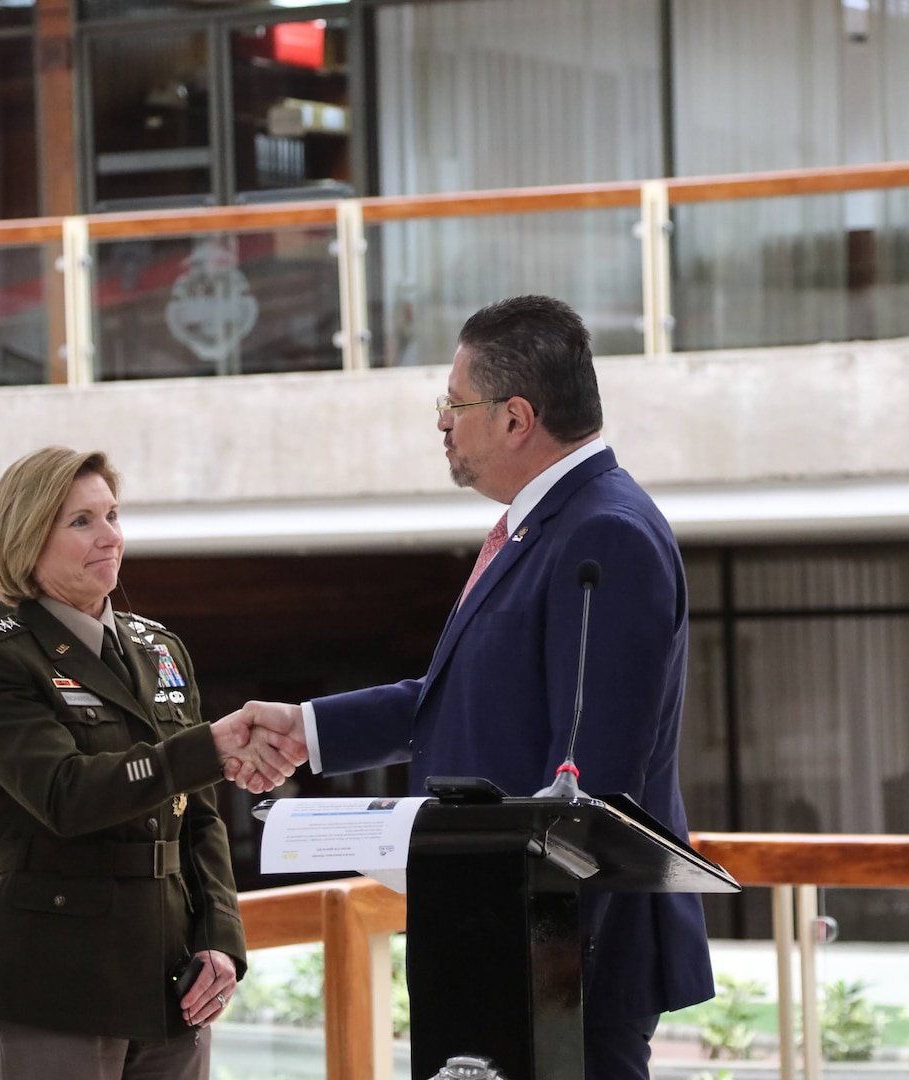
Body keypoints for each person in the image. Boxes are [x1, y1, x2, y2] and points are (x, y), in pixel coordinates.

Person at [220, 295, 714, 1079]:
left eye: (454, 403)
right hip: (495, 942)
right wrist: (305, 729)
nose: (442, 422)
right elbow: (459, 700)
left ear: (516, 417)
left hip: (565, 961)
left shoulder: (603, 535)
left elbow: (595, 782)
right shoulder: (541, 526)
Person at [0, 446, 302, 1080]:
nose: (110, 537)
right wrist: (207, 748)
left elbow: (200, 820)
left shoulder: (160, 648)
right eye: (81, 521)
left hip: (172, 981)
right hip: (55, 980)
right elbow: (66, 794)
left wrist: (221, 940)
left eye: (112, 515)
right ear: (27, 539)